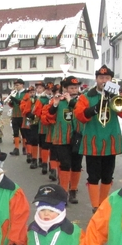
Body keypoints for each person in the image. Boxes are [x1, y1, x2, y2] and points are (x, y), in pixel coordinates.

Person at [73, 65, 122, 212]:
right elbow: (79, 115)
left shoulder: (116, 94)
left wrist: (117, 97)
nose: (104, 81)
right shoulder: (87, 96)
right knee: (93, 176)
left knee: (107, 176)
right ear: (96, 79)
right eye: (101, 78)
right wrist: (94, 109)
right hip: (93, 141)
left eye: (107, 78)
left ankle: (102, 204)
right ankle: (95, 206)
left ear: (111, 80)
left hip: (110, 141)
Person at [43, 76, 84, 204]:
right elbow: (49, 117)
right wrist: (55, 104)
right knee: (65, 165)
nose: (74, 90)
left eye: (76, 87)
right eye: (71, 88)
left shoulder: (82, 100)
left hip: (77, 137)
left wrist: (71, 101)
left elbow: (84, 113)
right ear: (65, 89)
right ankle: (64, 193)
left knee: (76, 165)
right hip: (62, 138)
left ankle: (73, 190)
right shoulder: (58, 101)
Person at [7, 79, 27, 156]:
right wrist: (11, 102)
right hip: (15, 115)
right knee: (15, 132)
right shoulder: (15, 93)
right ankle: (16, 149)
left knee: (24, 133)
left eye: (17, 85)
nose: (16, 87)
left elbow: (22, 102)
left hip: (22, 116)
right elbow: (12, 105)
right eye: (15, 85)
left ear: (22, 85)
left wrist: (14, 99)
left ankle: (24, 148)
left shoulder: (26, 93)